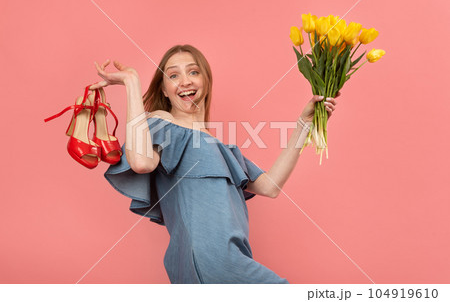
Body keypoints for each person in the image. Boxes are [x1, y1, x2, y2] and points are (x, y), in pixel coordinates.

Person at [91, 44, 339, 284]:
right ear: (164, 90)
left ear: (206, 82)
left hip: (232, 258)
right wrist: (132, 83)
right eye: (173, 75)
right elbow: (142, 162)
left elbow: (270, 186)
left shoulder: (219, 147)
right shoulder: (161, 122)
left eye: (193, 71)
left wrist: (304, 124)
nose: (186, 80)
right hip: (210, 261)